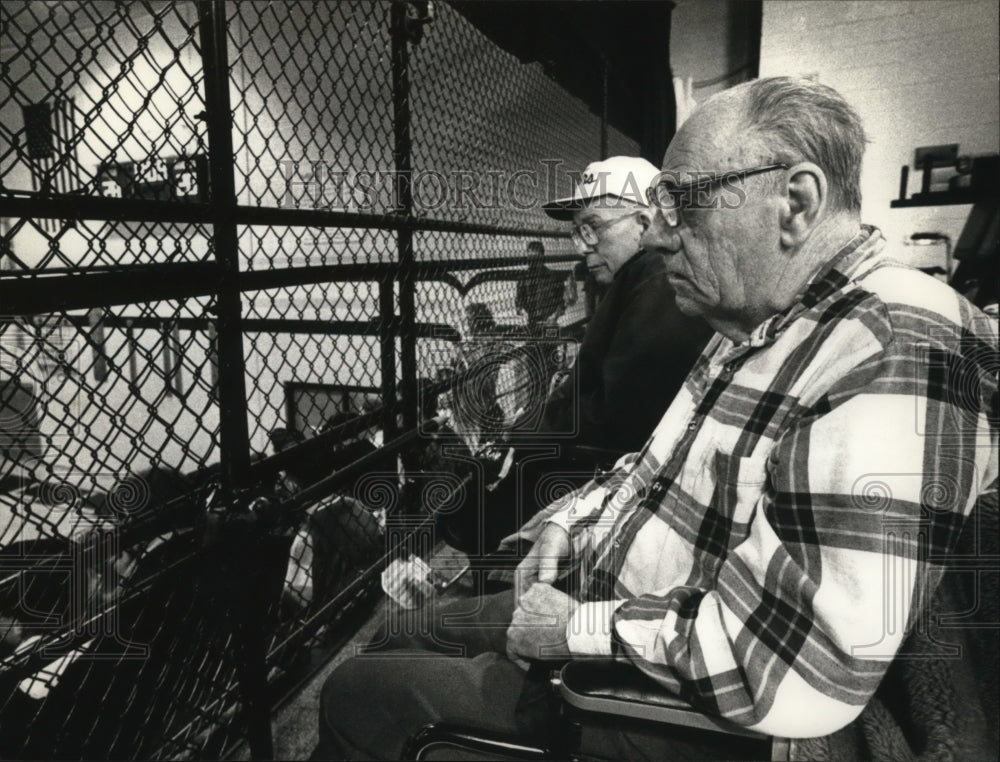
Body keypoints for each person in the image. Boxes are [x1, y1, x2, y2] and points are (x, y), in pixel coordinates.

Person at [312, 77, 998, 760]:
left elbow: (789, 663)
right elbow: (646, 468)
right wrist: (565, 525)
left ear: (795, 202)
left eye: (682, 204)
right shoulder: (759, 319)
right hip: (610, 604)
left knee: (355, 690)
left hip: (649, 692)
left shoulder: (895, 345)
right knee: (402, 632)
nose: (661, 235)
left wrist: (573, 629)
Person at [535, 155, 713, 456]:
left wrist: (529, 428)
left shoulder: (661, 283)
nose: (584, 247)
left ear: (644, 223)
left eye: (593, 228)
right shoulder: (640, 277)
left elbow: (619, 415)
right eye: (578, 233)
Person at [514, 240, 567, 332]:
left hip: (550, 321)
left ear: (542, 258)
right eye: (530, 259)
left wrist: (554, 316)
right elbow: (519, 302)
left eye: (536, 259)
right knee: (533, 344)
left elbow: (562, 302)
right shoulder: (524, 277)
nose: (532, 263)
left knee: (549, 344)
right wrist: (523, 313)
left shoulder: (553, 277)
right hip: (532, 322)